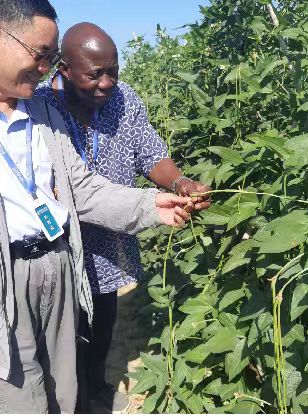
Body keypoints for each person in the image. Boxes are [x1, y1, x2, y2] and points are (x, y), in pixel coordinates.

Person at [0, 0, 195, 414]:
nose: (46, 68)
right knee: (11, 402)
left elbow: (80, 189)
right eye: (40, 55)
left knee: (63, 394)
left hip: (60, 270)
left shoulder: (42, 112)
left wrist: (150, 206)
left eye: (50, 58)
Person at [35, 22, 211, 413]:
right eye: (94, 74)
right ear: (65, 69)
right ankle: (71, 400)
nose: (106, 83)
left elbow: (150, 153)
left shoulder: (123, 99)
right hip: (62, 247)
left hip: (111, 242)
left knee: (102, 327)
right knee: (64, 334)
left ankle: (96, 388)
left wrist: (180, 182)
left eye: (113, 71)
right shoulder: (40, 106)